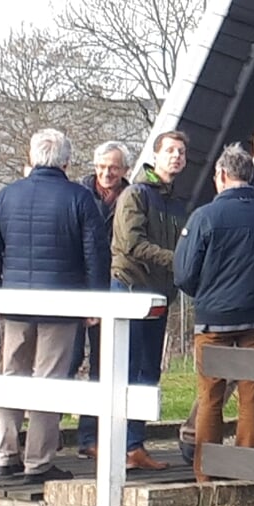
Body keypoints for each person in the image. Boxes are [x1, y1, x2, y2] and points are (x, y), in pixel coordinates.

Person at [0, 129, 109, 484]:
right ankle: (37, 462)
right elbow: (96, 255)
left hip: (14, 305)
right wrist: (95, 301)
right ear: (66, 161)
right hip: (61, 306)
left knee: (11, 377)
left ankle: (5, 454)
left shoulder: (7, 196)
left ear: (33, 156)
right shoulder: (80, 199)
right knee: (49, 381)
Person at [174, 144, 254, 483]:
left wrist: (205, 295)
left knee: (211, 396)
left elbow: (183, 273)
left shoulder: (205, 217)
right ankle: (247, 470)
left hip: (215, 318)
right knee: (252, 394)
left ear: (221, 176)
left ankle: (207, 471)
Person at [111, 131, 189, 471]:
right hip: (131, 290)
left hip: (159, 295)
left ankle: (135, 446)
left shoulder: (175, 202)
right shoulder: (135, 194)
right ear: (155, 156)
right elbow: (131, 244)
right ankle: (124, 445)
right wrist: (176, 260)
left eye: (181, 152)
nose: (176, 157)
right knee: (128, 370)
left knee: (147, 372)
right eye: (170, 150)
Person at [73, 141, 131, 459]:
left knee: (104, 362)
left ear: (124, 170)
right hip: (80, 286)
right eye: (101, 167)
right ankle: (51, 433)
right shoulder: (80, 195)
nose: (106, 173)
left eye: (113, 167)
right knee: (66, 362)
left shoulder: (131, 197)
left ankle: (91, 437)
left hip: (116, 285)